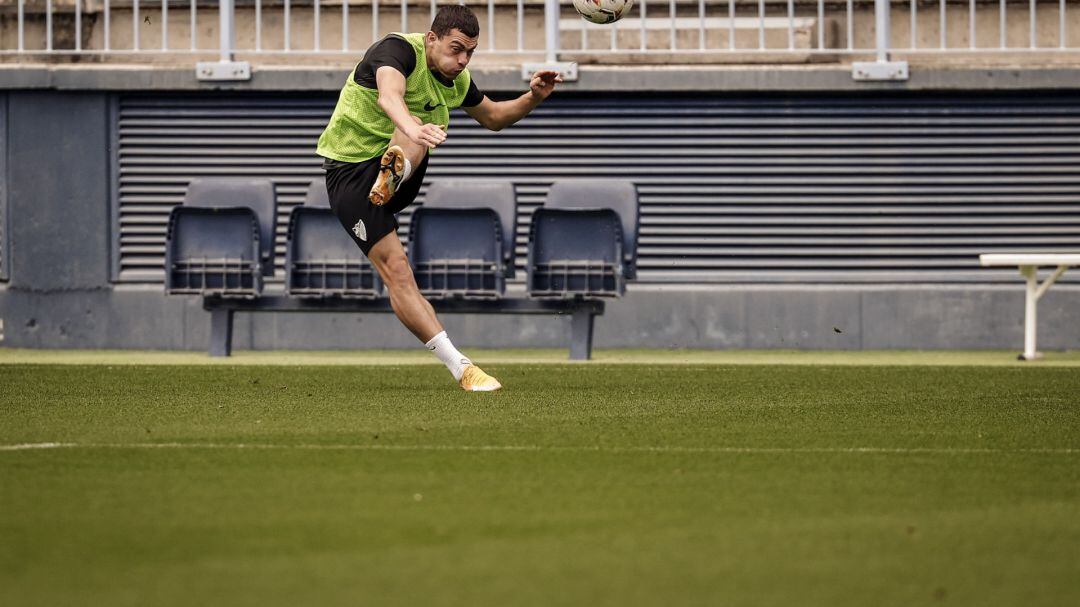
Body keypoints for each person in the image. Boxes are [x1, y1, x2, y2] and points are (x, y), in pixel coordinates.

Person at [316, 4, 562, 392]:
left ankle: (392, 174)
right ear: (432, 39)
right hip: (349, 174)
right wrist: (411, 127)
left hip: (399, 169)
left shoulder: (456, 80)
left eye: (470, 53)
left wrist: (533, 96)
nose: (462, 60)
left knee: (416, 132)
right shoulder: (396, 51)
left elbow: (495, 117)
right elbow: (389, 97)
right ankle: (462, 368)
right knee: (398, 271)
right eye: (455, 49)